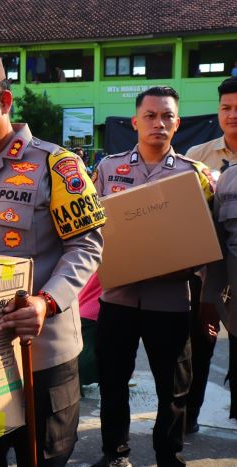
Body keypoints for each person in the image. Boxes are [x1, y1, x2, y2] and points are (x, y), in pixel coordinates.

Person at [0, 54, 105, 467]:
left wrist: (47, 302)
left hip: (43, 360)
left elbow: (87, 245)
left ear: (5, 102)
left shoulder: (56, 165)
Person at [91, 87, 215, 467]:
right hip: (118, 298)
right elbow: (92, 230)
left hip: (171, 299)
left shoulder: (195, 176)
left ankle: (168, 455)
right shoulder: (108, 168)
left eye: (167, 116)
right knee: (112, 382)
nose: (158, 123)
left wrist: (208, 298)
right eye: (150, 116)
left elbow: (207, 241)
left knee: (173, 387)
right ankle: (116, 454)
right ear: (135, 122)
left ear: (177, 123)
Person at [184, 76, 237, 434]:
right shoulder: (197, 158)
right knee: (197, 348)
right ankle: (187, 419)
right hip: (204, 275)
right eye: (226, 108)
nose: (232, 115)